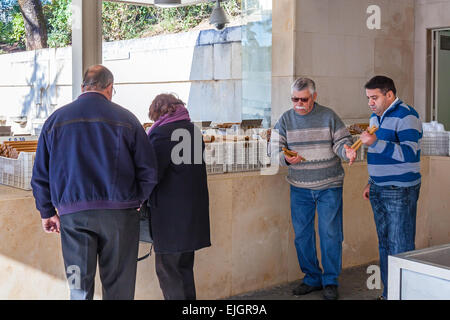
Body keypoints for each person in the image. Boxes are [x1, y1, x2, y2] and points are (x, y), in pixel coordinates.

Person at [31, 65, 158, 300]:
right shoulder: (128, 119)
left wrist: (47, 211)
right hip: (120, 216)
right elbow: (149, 171)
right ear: (110, 88)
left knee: (79, 286)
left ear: (82, 87)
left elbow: (40, 174)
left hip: (73, 217)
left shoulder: (56, 120)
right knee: (119, 286)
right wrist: (137, 199)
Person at [272, 77, 356, 300]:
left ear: (314, 97)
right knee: (302, 235)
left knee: (330, 233)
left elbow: (341, 142)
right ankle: (312, 278)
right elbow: (274, 150)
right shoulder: (285, 119)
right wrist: (286, 159)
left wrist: (346, 151)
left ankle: (330, 281)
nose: (299, 103)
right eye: (294, 99)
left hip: (329, 184)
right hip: (299, 186)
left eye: (304, 99)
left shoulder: (329, 116)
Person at [360, 76, 422, 300]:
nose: (370, 102)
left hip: (400, 190)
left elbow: (410, 153)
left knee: (400, 247)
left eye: (374, 97)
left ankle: (404, 296)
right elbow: (378, 155)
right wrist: (371, 181)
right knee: (385, 244)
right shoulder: (375, 117)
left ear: (389, 94)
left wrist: (374, 142)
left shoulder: (407, 115)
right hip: (379, 188)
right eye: (368, 98)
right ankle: (390, 295)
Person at [146, 93, 211, 300]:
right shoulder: (193, 131)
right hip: (193, 213)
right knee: (184, 269)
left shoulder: (161, 134)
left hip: (170, 217)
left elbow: (153, 174)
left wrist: (139, 197)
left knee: (168, 271)